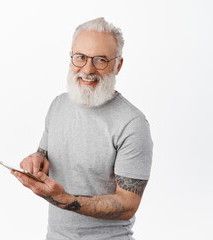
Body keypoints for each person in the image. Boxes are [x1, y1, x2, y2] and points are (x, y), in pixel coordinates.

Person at [12, 17, 153, 240]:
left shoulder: (131, 124)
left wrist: (65, 199)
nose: (87, 69)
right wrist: (36, 160)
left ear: (118, 65)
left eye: (100, 60)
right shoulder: (58, 104)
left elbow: (128, 204)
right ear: (71, 58)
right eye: (81, 58)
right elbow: (45, 154)